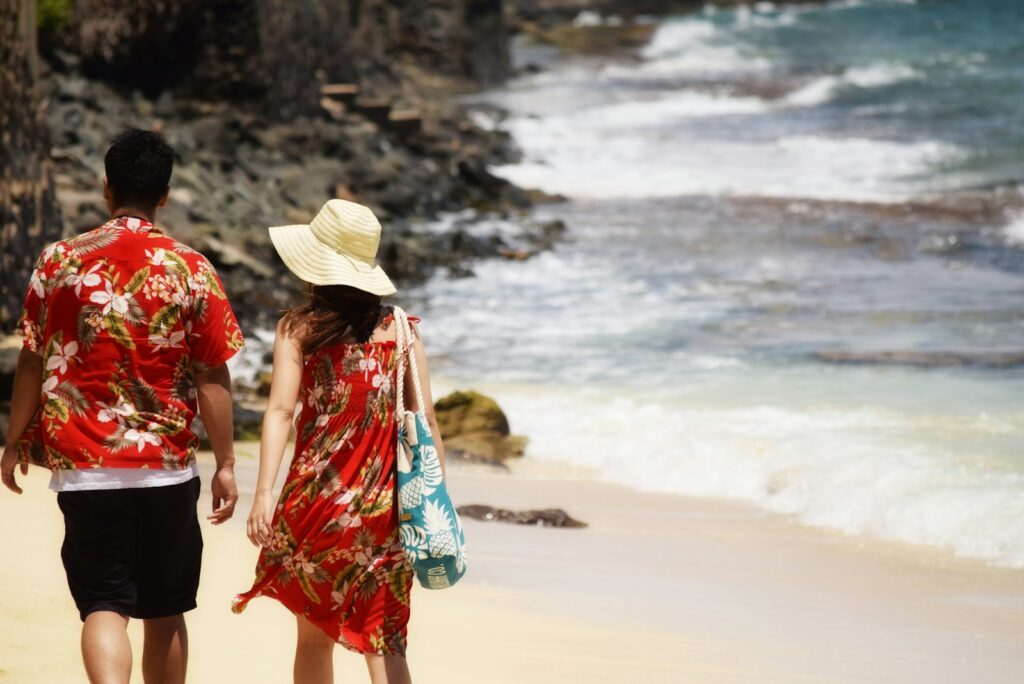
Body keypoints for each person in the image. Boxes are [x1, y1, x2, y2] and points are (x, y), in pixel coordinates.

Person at [0, 128, 244, 684]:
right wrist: (226, 463)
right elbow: (212, 374)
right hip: (165, 469)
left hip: (86, 469)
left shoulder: (59, 261)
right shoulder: (190, 267)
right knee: (164, 608)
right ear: (164, 194)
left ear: (105, 189)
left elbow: (33, 363)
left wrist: (13, 441)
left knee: (103, 603)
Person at [233, 199, 445, 684]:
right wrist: (436, 498)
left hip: (317, 506)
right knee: (385, 641)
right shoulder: (401, 331)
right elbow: (425, 419)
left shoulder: (298, 329)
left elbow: (281, 412)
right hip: (386, 509)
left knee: (312, 640)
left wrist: (264, 492)